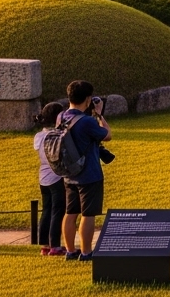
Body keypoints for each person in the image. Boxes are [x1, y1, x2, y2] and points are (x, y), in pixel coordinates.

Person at [59, 81, 111, 262]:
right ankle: (87, 252)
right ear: (88, 99)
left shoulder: (61, 117)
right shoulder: (87, 121)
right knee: (88, 214)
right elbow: (107, 134)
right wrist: (99, 114)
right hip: (89, 173)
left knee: (70, 212)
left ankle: (70, 250)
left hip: (69, 173)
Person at [32, 101, 68, 256]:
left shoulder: (39, 135)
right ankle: (55, 245)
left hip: (43, 177)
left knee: (46, 210)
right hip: (56, 176)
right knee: (57, 211)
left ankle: (45, 244)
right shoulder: (55, 135)